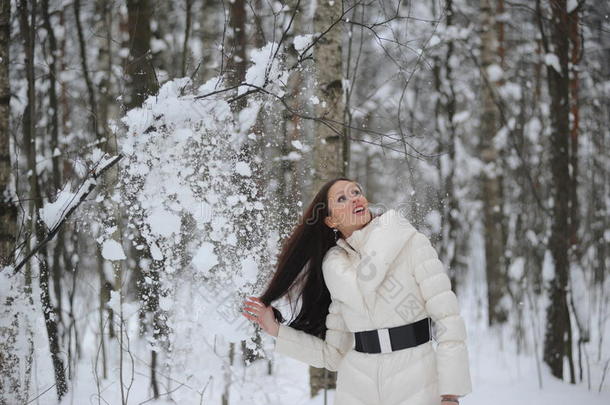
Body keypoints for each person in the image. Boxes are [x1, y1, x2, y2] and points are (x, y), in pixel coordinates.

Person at [241, 177, 472, 405]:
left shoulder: (410, 243)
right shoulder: (336, 270)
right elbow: (333, 355)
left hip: (419, 381)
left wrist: (450, 395)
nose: (355, 199)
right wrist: (276, 330)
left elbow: (447, 320)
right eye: (342, 198)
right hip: (357, 388)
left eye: (356, 192)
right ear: (331, 221)